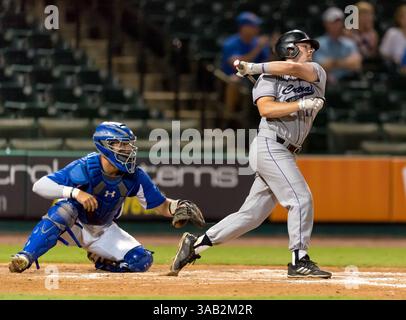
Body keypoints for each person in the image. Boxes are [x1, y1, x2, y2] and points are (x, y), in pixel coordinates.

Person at [168, 30, 332, 279]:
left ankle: (196, 244)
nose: (311, 50)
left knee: (251, 216)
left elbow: (297, 70)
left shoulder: (316, 72)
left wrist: (253, 67)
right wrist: (300, 104)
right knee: (300, 199)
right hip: (270, 145)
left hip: (287, 151)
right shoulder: (267, 78)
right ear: (290, 49)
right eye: (305, 46)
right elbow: (267, 109)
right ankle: (299, 260)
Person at [9, 121, 204, 273]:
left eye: (128, 146)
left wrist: (177, 207)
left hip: (104, 228)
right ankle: (25, 256)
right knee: (64, 209)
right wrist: (75, 192)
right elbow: (39, 185)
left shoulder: (134, 175)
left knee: (141, 260)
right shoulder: (86, 166)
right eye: (122, 145)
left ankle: (102, 260)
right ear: (106, 146)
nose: (128, 150)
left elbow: (161, 205)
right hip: (75, 223)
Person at [220, 12, 271, 126]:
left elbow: (268, 63)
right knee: (234, 80)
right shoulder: (231, 43)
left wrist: (273, 48)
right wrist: (258, 48)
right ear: (244, 27)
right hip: (234, 78)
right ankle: (229, 119)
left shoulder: (257, 42)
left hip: (255, 78)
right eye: (254, 26)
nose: (257, 29)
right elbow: (238, 65)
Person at [313, 7, 362, 83]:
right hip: (325, 84)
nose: (336, 25)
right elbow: (320, 67)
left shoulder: (349, 43)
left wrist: (333, 63)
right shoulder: (318, 43)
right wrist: (346, 63)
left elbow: (356, 64)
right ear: (325, 23)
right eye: (333, 22)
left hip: (347, 81)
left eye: (339, 21)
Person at [379, 4, 406, 69]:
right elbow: (383, 53)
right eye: (404, 17)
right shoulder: (392, 33)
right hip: (396, 69)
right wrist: (396, 61)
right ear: (399, 18)